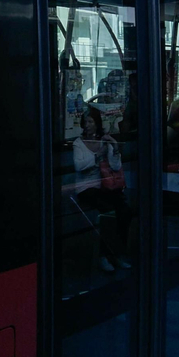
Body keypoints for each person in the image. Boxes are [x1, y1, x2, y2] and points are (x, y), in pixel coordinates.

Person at [73, 106, 132, 274]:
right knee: (108, 212)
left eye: (91, 121)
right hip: (86, 188)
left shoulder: (103, 141)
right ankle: (103, 255)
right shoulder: (79, 143)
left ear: (97, 123)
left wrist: (113, 147)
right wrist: (98, 156)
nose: (88, 125)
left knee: (124, 211)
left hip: (104, 186)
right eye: (86, 122)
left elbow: (115, 166)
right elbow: (79, 166)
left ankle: (118, 252)